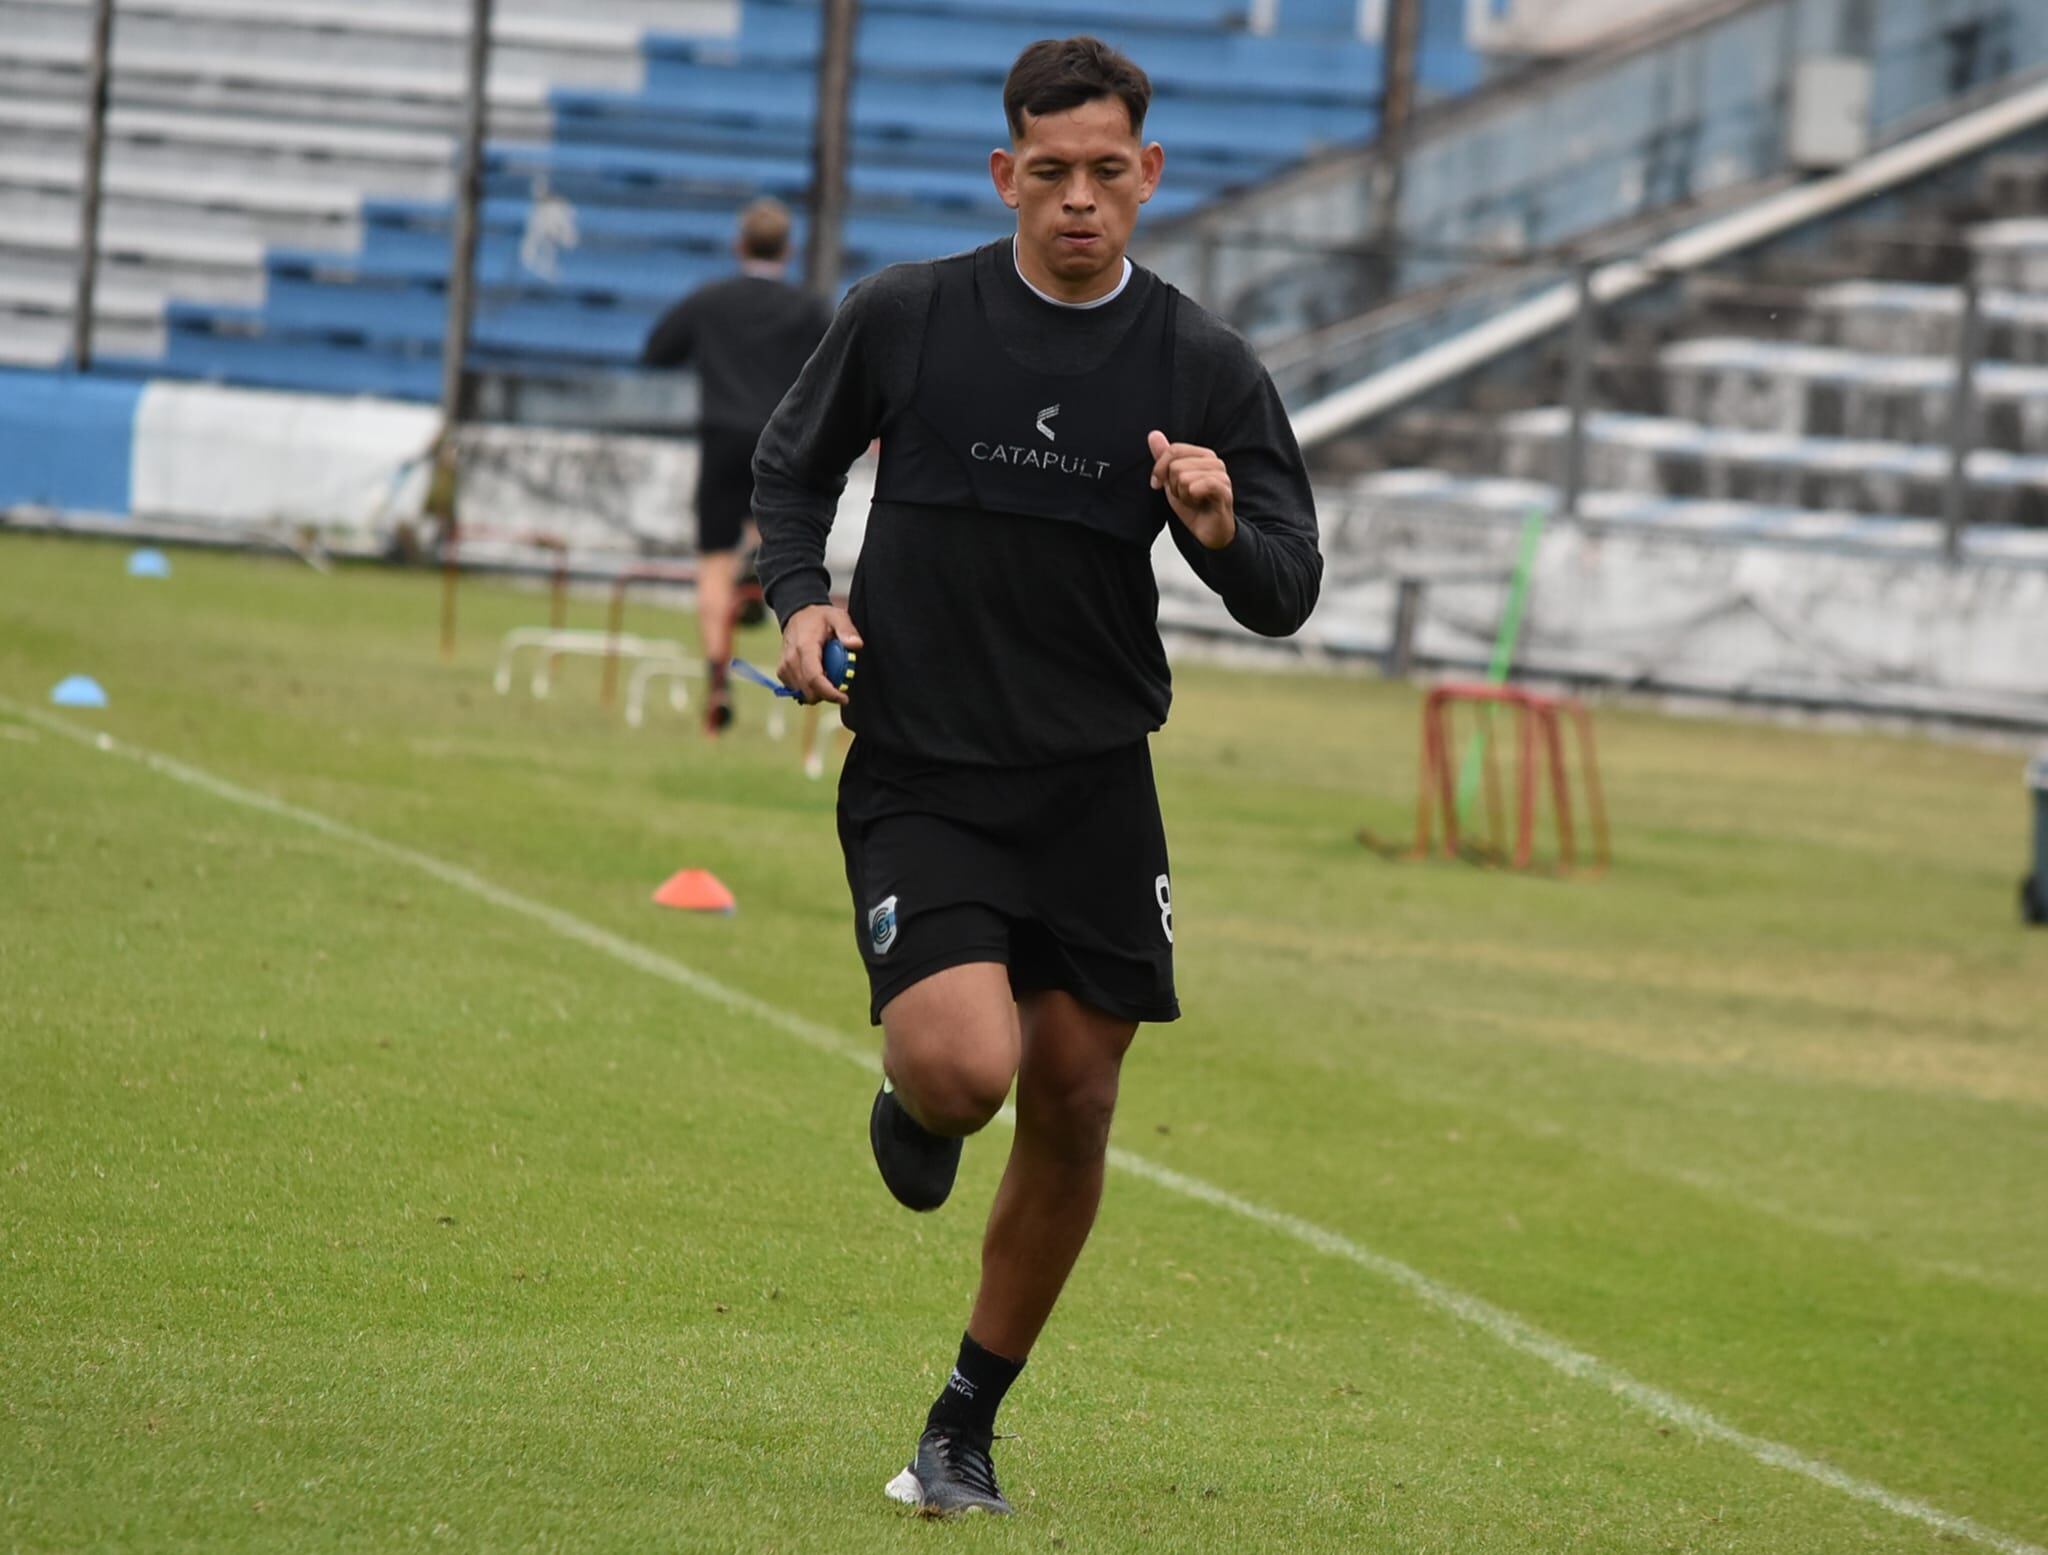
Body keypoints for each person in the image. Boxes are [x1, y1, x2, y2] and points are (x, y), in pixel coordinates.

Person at [752, 36, 1322, 1516]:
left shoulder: (1200, 362)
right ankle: (921, 1108)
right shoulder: (912, 314)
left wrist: (1208, 520)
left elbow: (1285, 585)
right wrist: (803, 598)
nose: (1081, 200)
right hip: (924, 768)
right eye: (1051, 173)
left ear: (1150, 176)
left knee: (1073, 1098)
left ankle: (961, 1422)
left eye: (1108, 173)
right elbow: (792, 464)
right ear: (1007, 174)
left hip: (1091, 784)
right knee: (967, 1069)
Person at [641, 197, 832, 733]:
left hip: (722, 436)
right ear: (788, 251)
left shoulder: (712, 300)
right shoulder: (808, 308)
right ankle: (757, 558)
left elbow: (656, 350)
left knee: (710, 561)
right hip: (781, 440)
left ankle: (718, 676)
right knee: (772, 528)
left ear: (738, 245)